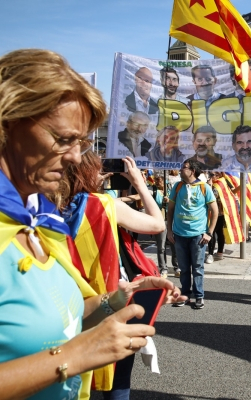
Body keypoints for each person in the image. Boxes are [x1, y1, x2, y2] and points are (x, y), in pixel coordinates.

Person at [0, 48, 182, 399]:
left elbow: (56, 316)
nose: (73, 157)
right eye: (63, 138)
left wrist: (112, 300)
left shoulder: (36, 222)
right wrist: (77, 355)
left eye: (80, 143)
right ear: (8, 124)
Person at [56, 154, 169, 400]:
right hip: (108, 296)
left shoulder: (47, 203)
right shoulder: (104, 204)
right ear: (87, 172)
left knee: (62, 368)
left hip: (63, 298)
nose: (104, 173)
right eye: (99, 168)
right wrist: (138, 182)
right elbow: (157, 224)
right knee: (118, 371)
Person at [167, 158, 219, 310]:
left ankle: (199, 296)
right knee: (183, 268)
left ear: (193, 171)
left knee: (197, 268)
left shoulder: (204, 188)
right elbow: (170, 210)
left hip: (198, 236)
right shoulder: (177, 187)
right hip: (179, 235)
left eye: (184, 167)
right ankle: (185, 295)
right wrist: (169, 230)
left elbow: (215, 211)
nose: (181, 169)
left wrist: (209, 233)